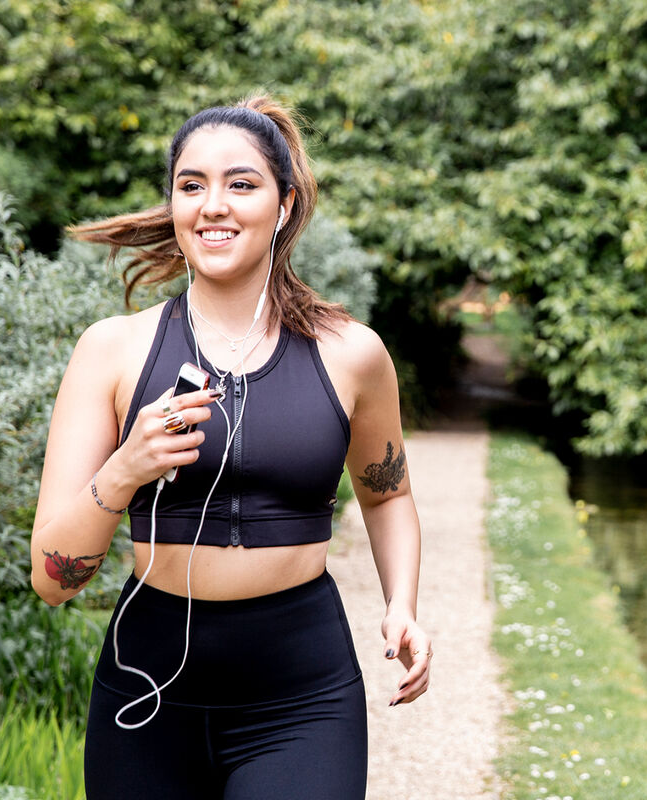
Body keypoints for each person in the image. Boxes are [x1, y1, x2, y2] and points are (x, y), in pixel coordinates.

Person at [29, 94, 430, 800]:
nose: (214, 204)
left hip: (301, 698)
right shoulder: (111, 352)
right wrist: (125, 470)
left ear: (283, 206)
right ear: (175, 207)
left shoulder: (351, 355)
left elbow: (389, 492)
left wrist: (403, 603)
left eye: (241, 184)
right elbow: (53, 580)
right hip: (145, 693)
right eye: (192, 185)